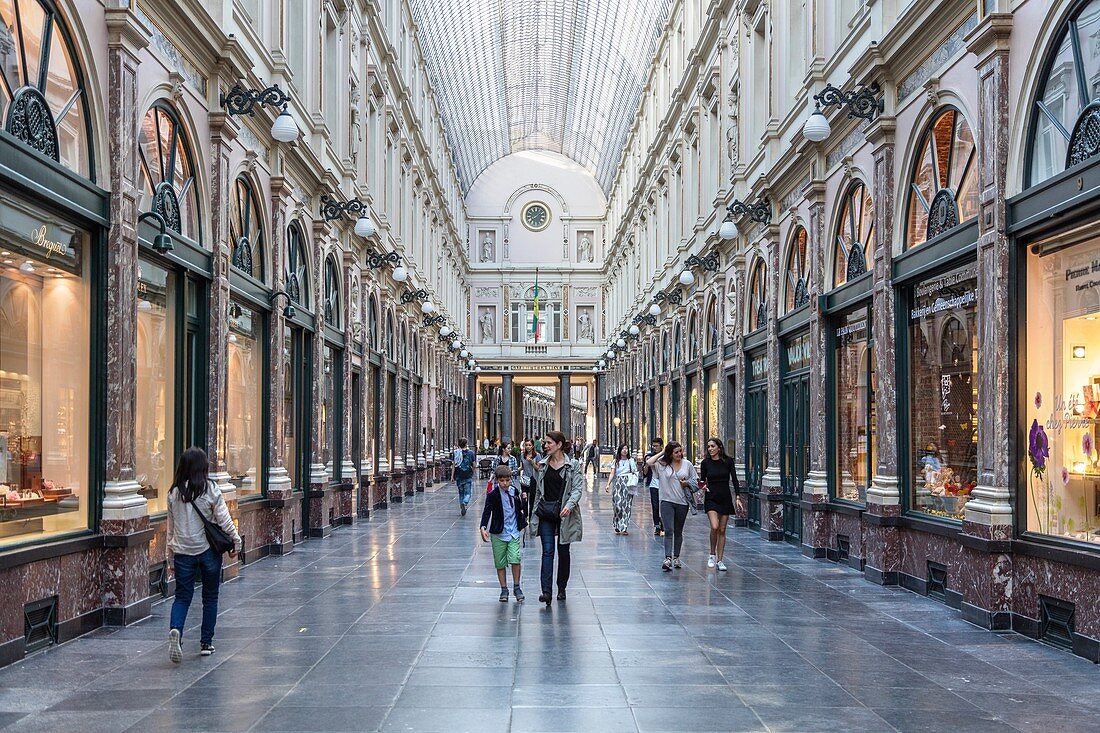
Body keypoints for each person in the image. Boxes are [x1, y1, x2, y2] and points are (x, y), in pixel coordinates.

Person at [166, 447, 242, 663]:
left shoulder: (173, 494)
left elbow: (170, 529)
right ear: (203, 468)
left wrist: (169, 557)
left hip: (182, 552)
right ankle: (206, 643)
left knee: (182, 597)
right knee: (210, 597)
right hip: (207, 552)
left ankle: (176, 630)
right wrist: (236, 541)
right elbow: (225, 521)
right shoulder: (210, 490)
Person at [529, 430, 584, 606]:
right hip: (546, 512)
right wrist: (533, 515)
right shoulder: (543, 465)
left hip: (564, 513)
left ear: (559, 445)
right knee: (547, 551)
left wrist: (569, 506)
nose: (545, 446)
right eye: (544, 443)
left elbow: (577, 488)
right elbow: (538, 492)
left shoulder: (572, 465)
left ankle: (561, 586)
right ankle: (546, 591)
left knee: (563, 551)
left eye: (548, 443)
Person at [646, 441, 699, 572]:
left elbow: (696, 481)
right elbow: (649, 462)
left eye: (681, 451)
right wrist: (663, 452)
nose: (679, 454)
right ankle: (668, 558)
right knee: (669, 530)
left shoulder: (687, 464)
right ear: (670, 453)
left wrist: (686, 483)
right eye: (676, 452)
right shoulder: (662, 465)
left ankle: (676, 557)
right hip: (666, 501)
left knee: (678, 530)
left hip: (682, 502)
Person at [480, 464, 526, 602]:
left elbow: (520, 508)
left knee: (515, 558)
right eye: (502, 481)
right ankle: (504, 589)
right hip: (499, 532)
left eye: (507, 480)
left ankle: (517, 587)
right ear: (497, 481)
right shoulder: (493, 495)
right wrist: (483, 526)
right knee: (500, 563)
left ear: (511, 479)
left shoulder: (515, 491)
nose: (505, 483)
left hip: (513, 532)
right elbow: (487, 511)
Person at [700, 437, 739, 571]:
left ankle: (720, 560)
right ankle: (712, 554)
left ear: (719, 447)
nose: (710, 449)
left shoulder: (728, 462)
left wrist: (738, 497)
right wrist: (703, 486)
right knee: (715, 526)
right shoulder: (705, 463)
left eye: (712, 446)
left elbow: (734, 479)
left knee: (722, 530)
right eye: (708, 447)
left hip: (725, 497)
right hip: (711, 497)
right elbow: (702, 480)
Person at [605, 444, 639, 535]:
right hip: (618, 483)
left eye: (626, 449)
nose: (625, 450)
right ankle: (617, 523)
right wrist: (608, 484)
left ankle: (624, 527)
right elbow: (612, 473)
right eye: (623, 449)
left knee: (626, 505)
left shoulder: (631, 461)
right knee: (617, 505)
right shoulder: (615, 461)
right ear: (620, 450)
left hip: (628, 483)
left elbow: (635, 472)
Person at [642, 438, 664, 537]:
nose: (654, 448)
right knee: (655, 506)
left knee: (664, 506)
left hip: (665, 485)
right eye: (653, 446)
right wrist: (646, 465)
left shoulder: (666, 457)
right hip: (654, 485)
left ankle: (664, 525)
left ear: (661, 446)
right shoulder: (650, 457)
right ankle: (657, 526)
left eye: (656, 446)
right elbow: (645, 472)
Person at [452, 437, 476, 515]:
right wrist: (474, 472)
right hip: (468, 475)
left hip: (459, 475)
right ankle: (464, 502)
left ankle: (462, 504)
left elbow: (453, 465)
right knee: (468, 492)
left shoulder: (455, 453)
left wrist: (452, 476)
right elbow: (474, 464)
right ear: (466, 444)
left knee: (461, 492)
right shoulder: (471, 453)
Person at [519, 438, 542, 521]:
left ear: (532, 446)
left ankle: (531, 516)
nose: (528, 447)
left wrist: (532, 462)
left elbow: (538, 468)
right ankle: (525, 516)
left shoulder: (537, 456)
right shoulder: (522, 455)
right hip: (524, 479)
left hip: (533, 479)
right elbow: (521, 467)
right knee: (524, 498)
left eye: (529, 445)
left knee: (532, 498)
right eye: (526, 445)